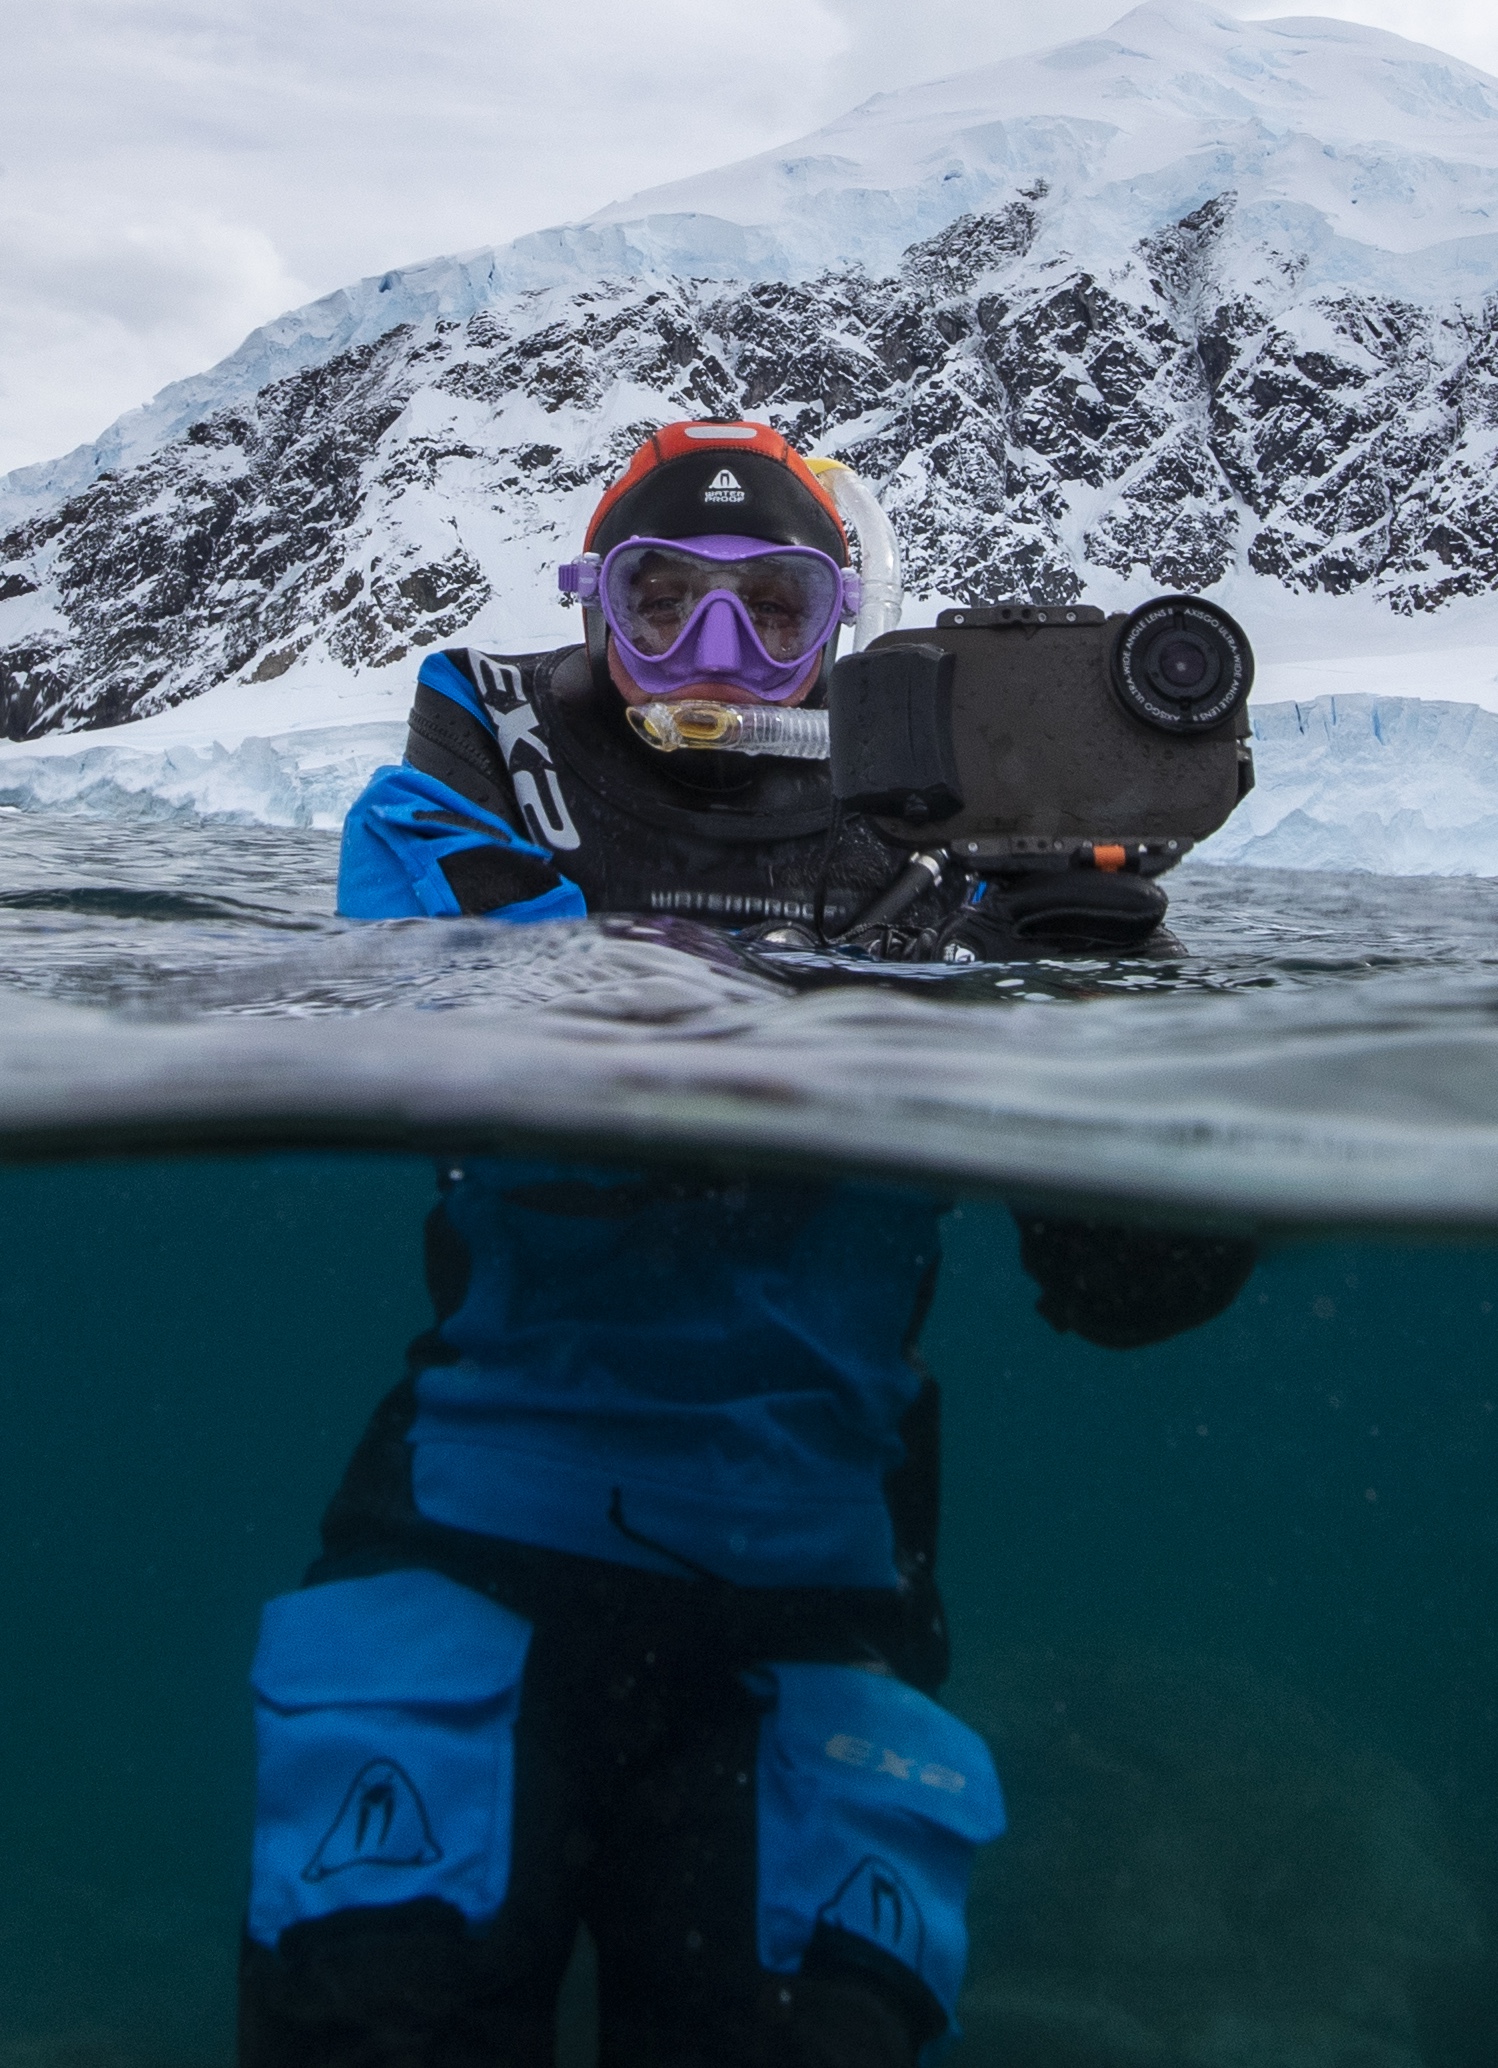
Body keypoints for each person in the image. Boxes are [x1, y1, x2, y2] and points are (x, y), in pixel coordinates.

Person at [239, 421, 1254, 2067]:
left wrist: (1091, 980)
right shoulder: (472, 788)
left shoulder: (935, 852)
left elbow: (1129, 1292)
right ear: (591, 610)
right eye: (664, 603)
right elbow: (469, 1017)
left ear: (843, 628)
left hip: (817, 1586)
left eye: (772, 611)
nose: (716, 653)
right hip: (474, 1525)